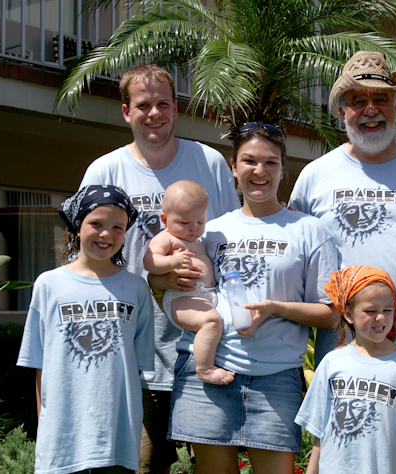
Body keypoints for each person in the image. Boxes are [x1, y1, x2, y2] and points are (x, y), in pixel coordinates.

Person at [80, 64, 240, 474]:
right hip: (137, 349)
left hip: (205, 342)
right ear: (125, 111)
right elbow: (85, 257)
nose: (154, 113)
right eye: (143, 104)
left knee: (214, 463)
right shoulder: (105, 171)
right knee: (145, 464)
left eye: (163, 103)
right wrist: (154, 278)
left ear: (176, 107)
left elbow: (229, 245)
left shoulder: (208, 162)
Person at [164, 122, 339, 474]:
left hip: (276, 378)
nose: (260, 171)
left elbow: (331, 315)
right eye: (249, 161)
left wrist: (275, 308)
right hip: (210, 374)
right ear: (233, 167)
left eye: (270, 162)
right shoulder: (210, 231)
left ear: (283, 169)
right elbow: (174, 284)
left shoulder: (310, 230)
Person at [289, 51, 396, 362]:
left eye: (381, 98)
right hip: (339, 340)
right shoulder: (315, 175)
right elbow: (298, 257)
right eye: (358, 100)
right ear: (341, 109)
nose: (371, 110)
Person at [17, 185, 155, 474]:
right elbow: (40, 363)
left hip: (117, 433)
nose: (107, 234)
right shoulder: (48, 284)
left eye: (118, 227)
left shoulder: (136, 288)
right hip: (64, 434)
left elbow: (137, 366)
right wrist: (46, 420)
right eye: (96, 224)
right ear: (77, 227)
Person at [295, 265, 396, 474]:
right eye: (370, 311)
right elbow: (320, 437)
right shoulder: (333, 362)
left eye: (387, 310)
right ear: (348, 313)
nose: (380, 318)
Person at [144, 180, 233, 385]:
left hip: (203, 295)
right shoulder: (166, 238)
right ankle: (205, 368)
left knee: (217, 321)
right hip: (181, 297)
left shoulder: (198, 240)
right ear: (165, 219)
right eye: (184, 223)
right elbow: (149, 261)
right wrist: (171, 261)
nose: (193, 228)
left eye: (200, 222)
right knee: (211, 321)